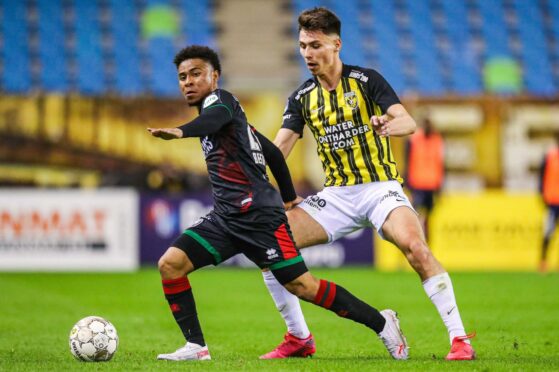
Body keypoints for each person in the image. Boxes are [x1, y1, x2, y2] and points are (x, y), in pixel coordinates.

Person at [147, 45, 409, 361]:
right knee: (171, 265)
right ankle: (196, 346)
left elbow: (213, 118)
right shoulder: (234, 120)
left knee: (304, 286)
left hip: (259, 217)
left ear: (215, 76)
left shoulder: (221, 102)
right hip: (227, 216)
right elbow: (272, 152)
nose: (188, 82)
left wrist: (180, 131)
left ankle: (382, 323)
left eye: (196, 74)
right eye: (182, 77)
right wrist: (288, 196)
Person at [259, 7, 475, 361]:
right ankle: (299, 338)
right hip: (336, 196)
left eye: (315, 45)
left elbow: (407, 122)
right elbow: (279, 147)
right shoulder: (302, 97)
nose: (308, 54)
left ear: (336, 43)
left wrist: (388, 126)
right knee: (268, 246)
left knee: (415, 247)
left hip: (380, 187)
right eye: (302, 46)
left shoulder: (366, 80)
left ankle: (459, 340)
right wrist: (259, 182)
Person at [405, 117, 444, 243]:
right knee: (419, 213)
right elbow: (408, 160)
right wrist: (407, 183)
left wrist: (440, 186)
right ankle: (418, 238)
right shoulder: (414, 139)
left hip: (432, 184)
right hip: (417, 183)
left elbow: (441, 163)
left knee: (427, 215)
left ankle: (423, 239)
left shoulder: (437, 140)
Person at [539, 132, 559, 273]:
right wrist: (542, 195)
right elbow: (541, 177)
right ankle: (543, 261)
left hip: (552, 200)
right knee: (548, 231)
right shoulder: (550, 156)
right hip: (552, 201)